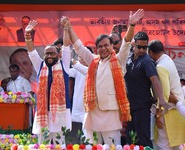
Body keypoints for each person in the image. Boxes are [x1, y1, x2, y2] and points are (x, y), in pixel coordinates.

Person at [60, 9, 144, 145]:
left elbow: (127, 43)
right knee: (93, 146)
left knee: (112, 146)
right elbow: (79, 47)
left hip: (110, 113)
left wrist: (132, 25)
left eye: (106, 45)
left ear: (112, 46)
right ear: (96, 48)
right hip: (92, 112)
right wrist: (69, 28)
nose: (103, 48)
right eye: (100, 46)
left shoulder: (118, 60)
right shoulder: (93, 61)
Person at [24, 20, 72, 145]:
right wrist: (28, 35)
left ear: (59, 54)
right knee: (42, 144)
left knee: (59, 143)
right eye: (47, 54)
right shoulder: (40, 65)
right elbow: (32, 52)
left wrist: (66, 28)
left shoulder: (64, 64)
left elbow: (66, 47)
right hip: (43, 112)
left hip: (60, 112)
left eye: (52, 53)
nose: (49, 56)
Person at [124, 32, 171, 147]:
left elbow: (155, 81)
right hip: (129, 107)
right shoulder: (128, 58)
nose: (142, 50)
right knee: (130, 140)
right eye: (139, 47)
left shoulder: (146, 61)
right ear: (133, 44)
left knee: (143, 139)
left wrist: (162, 100)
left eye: (145, 47)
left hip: (142, 107)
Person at [148, 40, 185, 149]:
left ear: (150, 52)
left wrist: (159, 114)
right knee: (175, 145)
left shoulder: (160, 67)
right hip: (177, 110)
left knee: (164, 144)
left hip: (167, 112)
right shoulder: (168, 59)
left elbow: (164, 92)